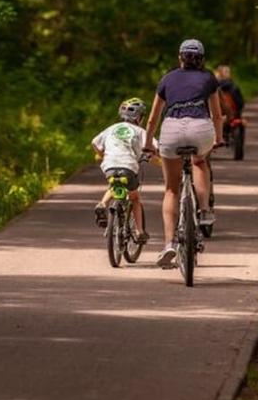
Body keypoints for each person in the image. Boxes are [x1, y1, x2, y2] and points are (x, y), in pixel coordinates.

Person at [144, 39, 224, 268]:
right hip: (200, 128)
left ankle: (169, 243)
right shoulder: (209, 78)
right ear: (202, 59)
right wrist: (218, 139)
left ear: (180, 57)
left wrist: (148, 144)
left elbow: (152, 119)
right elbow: (217, 115)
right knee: (199, 162)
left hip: (171, 129)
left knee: (171, 189)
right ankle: (205, 210)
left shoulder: (167, 79)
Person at [91, 97, 152, 244]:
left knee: (114, 186)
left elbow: (94, 142)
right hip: (129, 166)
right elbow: (153, 147)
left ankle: (103, 205)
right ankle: (139, 232)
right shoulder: (140, 131)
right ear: (139, 118)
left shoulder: (111, 128)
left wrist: (102, 155)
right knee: (135, 198)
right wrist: (159, 160)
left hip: (109, 166)